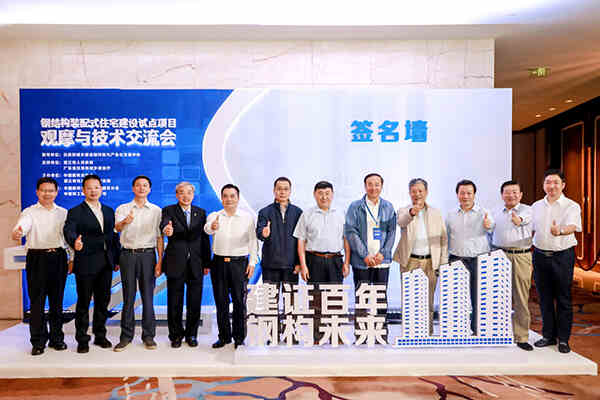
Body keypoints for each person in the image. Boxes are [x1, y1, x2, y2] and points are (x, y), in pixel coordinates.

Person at [12, 177, 70, 355]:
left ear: (56, 192)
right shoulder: (29, 212)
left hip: (58, 257)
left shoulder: (63, 213)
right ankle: (38, 342)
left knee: (57, 301)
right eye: (44, 190)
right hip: (37, 258)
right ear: (37, 192)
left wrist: (72, 258)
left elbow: (68, 237)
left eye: (51, 190)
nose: (47, 194)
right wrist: (18, 232)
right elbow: (22, 226)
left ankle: (56, 339)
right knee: (37, 302)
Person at [63, 174, 120, 354]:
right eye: (89, 188)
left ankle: (100, 335)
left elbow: (113, 236)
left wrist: (116, 259)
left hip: (106, 263)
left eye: (96, 187)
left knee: (103, 301)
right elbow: (69, 230)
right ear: (83, 190)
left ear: (101, 189)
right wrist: (74, 242)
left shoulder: (109, 210)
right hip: (86, 262)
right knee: (84, 302)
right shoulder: (75, 211)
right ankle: (82, 338)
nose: (93, 191)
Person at [531, 169, 582, 354]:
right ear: (543, 185)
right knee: (544, 297)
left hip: (562, 256)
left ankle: (564, 339)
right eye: (548, 182)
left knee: (563, 298)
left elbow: (573, 226)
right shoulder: (536, 206)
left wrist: (559, 231)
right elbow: (529, 226)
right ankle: (548, 336)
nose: (551, 186)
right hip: (540, 255)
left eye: (555, 182)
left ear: (563, 185)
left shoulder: (571, 206)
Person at [294, 181, 350, 342]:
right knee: (316, 299)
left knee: (336, 300)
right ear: (314, 195)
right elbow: (301, 241)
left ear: (332, 195)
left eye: (327, 193)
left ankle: (336, 335)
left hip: (335, 260)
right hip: (314, 260)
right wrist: (303, 265)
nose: (324, 197)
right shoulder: (307, 214)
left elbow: (346, 239)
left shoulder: (341, 213)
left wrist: (347, 262)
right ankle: (318, 336)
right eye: (320, 193)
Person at [113, 176, 163, 351]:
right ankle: (126, 336)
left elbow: (159, 237)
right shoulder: (123, 208)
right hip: (128, 255)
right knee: (128, 297)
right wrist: (125, 221)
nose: (141, 188)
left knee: (148, 297)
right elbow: (116, 229)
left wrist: (160, 261)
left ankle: (149, 336)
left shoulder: (156, 211)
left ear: (149, 189)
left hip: (148, 256)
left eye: (145, 185)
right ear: (133, 188)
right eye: (138, 185)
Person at [205, 184, 257, 349]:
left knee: (239, 302)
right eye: (225, 196)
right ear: (221, 198)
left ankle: (239, 337)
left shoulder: (247, 217)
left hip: (239, 263)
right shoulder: (214, 216)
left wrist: (252, 262)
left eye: (232, 196)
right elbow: (207, 229)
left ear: (238, 198)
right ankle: (224, 337)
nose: (229, 199)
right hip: (218, 263)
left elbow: (253, 240)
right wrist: (212, 227)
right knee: (221, 302)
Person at [160, 182, 211, 348]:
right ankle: (175, 336)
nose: (185, 196)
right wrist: (167, 230)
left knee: (194, 301)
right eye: (181, 192)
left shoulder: (200, 212)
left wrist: (206, 262)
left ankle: (191, 334)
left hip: (196, 263)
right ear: (177, 195)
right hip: (175, 262)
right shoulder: (169, 210)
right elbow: (165, 224)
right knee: (174, 301)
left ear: (193, 195)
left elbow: (205, 239)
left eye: (189, 192)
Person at [393, 178, 447, 332]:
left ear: (426, 192)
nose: (417, 194)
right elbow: (401, 222)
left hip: (430, 262)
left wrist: (442, 263)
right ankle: (410, 332)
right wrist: (412, 213)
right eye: (413, 191)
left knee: (428, 300)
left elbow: (443, 239)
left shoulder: (436, 213)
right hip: (410, 261)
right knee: (409, 300)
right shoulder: (404, 210)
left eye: (420, 191)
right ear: (409, 193)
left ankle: (427, 332)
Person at [345, 173, 396, 335]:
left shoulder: (388, 207)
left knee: (381, 296)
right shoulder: (355, 207)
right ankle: (361, 332)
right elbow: (351, 232)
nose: (373, 188)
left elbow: (392, 232)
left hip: (382, 261)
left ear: (381, 186)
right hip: (362, 261)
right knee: (362, 296)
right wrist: (365, 255)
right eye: (370, 184)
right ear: (365, 186)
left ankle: (381, 331)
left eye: (377, 184)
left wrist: (383, 253)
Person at [256, 177, 303, 336]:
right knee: (271, 302)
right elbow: (259, 232)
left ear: (290, 191)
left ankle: (291, 333)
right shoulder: (265, 212)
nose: (282, 192)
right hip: (270, 264)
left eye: (285, 189)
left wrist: (299, 263)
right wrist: (264, 233)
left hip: (291, 265)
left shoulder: (298, 212)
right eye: (279, 189)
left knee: (291, 302)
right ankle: (273, 334)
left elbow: (301, 240)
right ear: (274, 190)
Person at [446, 179, 494, 334]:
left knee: (478, 296)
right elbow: (446, 237)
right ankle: (456, 329)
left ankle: (478, 329)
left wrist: (489, 226)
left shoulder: (484, 212)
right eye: (462, 193)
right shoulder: (450, 215)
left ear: (474, 195)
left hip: (478, 260)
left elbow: (492, 228)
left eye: (469, 193)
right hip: (456, 259)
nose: (465, 196)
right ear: (457, 194)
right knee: (456, 298)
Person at [491, 180, 534, 351]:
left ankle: (521, 336)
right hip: (499, 254)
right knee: (497, 296)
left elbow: (523, 220)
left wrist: (518, 219)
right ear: (502, 195)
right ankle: (497, 333)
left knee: (521, 298)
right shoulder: (495, 212)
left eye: (515, 192)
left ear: (521, 195)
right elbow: (489, 231)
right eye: (507, 192)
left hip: (521, 256)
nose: (511, 195)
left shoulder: (528, 210)